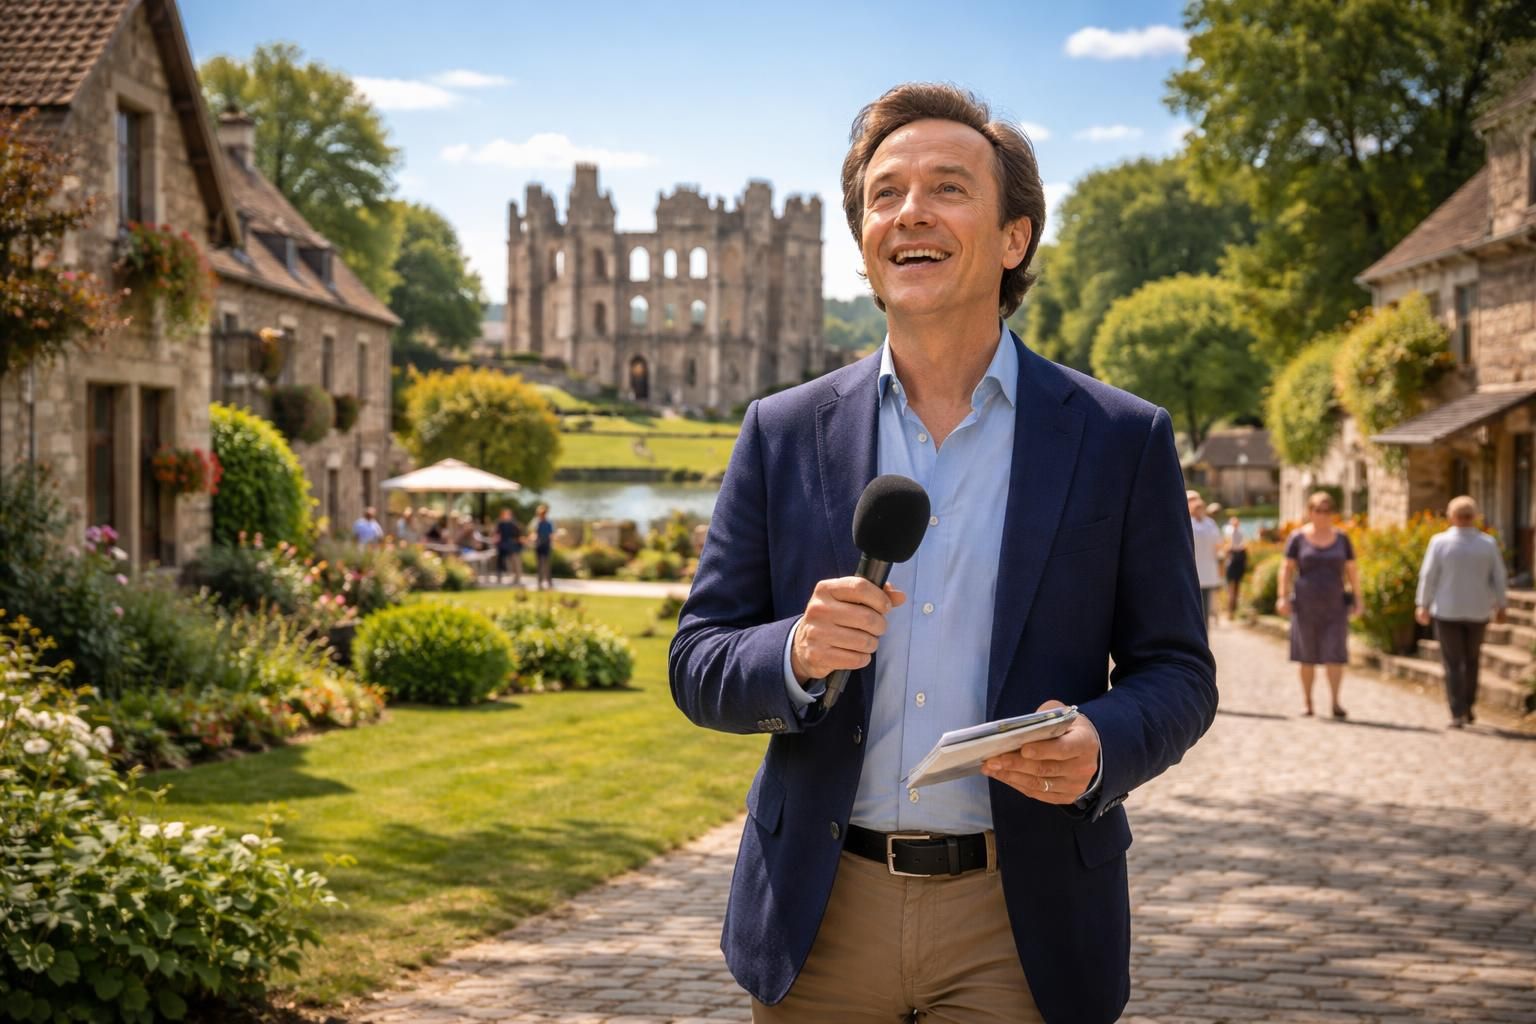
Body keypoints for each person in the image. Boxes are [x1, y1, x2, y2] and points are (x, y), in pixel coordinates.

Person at [669, 83, 1217, 1024]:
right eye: (885, 195)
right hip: (820, 916)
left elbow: (1177, 671)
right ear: (866, 251)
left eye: (948, 187)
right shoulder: (782, 431)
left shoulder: (1121, 437)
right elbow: (698, 659)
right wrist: (795, 655)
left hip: (1022, 921)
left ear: (1015, 239)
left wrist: (1100, 747)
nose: (910, 211)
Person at [1414, 495, 1507, 728]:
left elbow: (1428, 575)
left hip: (1447, 611)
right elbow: (1499, 576)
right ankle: (1469, 706)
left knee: (1453, 662)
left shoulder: (1440, 542)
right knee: (1472, 659)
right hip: (1477, 610)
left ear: (1451, 516)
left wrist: (1422, 604)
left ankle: (1457, 711)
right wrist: (1501, 604)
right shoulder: (1487, 543)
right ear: (1474, 517)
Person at [1276, 491, 1359, 718]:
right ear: (1310, 512)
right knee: (1307, 655)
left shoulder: (1342, 539)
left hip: (1335, 604)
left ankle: (1335, 702)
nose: (1322, 515)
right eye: (1317, 510)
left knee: (1335, 653)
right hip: (1305, 604)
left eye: (1327, 510)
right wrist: (1282, 596)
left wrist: (1358, 600)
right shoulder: (1297, 538)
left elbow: (1352, 570)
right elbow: (1286, 568)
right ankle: (1308, 702)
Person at [1188, 492, 1223, 627]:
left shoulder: (1210, 524)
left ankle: (1205, 630)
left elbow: (1218, 544)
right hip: (1194, 569)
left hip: (1208, 569)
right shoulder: (1189, 522)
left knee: (1206, 605)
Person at [1223, 514, 1249, 618]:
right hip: (1233, 561)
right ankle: (1230, 611)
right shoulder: (1229, 533)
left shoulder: (1240, 533)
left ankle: (1233, 611)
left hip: (1237, 561)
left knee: (1236, 588)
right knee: (1231, 588)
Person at [494, 507, 525, 587]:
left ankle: (517, 578)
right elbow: (497, 534)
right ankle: (506, 577)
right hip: (504, 546)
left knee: (516, 563)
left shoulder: (514, 524)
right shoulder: (500, 524)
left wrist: (517, 540)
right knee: (507, 563)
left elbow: (519, 535)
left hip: (514, 547)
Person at [531, 504, 555, 591]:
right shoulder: (537, 523)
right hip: (539, 545)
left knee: (546, 565)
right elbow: (534, 534)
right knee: (541, 565)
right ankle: (541, 583)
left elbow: (551, 535)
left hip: (545, 545)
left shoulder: (548, 523)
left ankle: (548, 582)